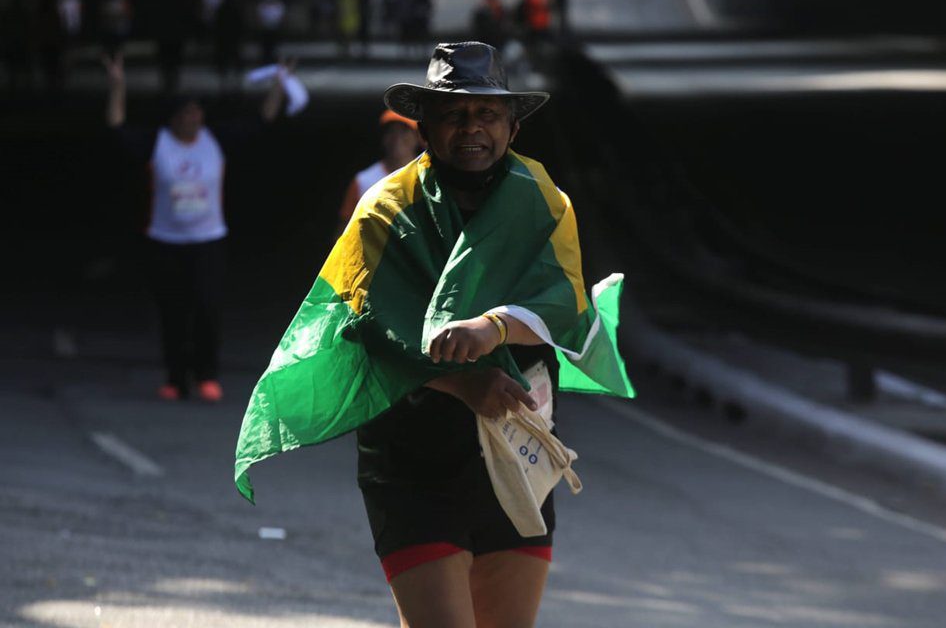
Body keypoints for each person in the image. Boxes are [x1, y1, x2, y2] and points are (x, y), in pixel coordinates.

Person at [234, 42, 634, 627]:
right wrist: (464, 385)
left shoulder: (544, 201)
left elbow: (563, 306)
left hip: (515, 452)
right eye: (454, 114)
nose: (471, 129)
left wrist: (492, 326)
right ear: (424, 126)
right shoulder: (385, 208)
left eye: (487, 114)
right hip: (410, 459)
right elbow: (365, 325)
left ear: (512, 126)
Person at [102, 53, 288, 402]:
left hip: (208, 242)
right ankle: (175, 378)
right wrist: (117, 85)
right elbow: (116, 130)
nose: (193, 118)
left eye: (197, 112)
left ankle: (207, 374)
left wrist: (278, 86)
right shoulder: (157, 142)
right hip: (165, 242)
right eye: (186, 113)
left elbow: (262, 121)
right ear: (173, 118)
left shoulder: (214, 139)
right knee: (173, 311)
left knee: (206, 307)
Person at [335, 109, 422, 237]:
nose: (397, 138)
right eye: (391, 132)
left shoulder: (430, 176)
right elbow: (343, 233)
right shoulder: (363, 180)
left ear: (418, 138)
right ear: (383, 138)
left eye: (404, 131)